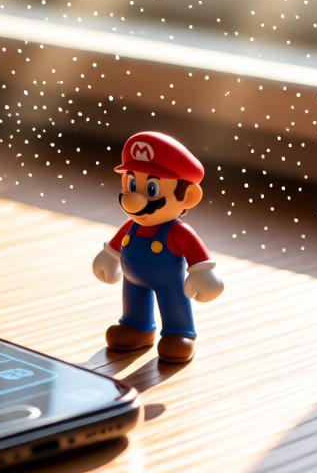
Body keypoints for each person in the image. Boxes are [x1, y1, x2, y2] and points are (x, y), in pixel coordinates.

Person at [92, 132, 224, 363]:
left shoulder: (177, 231)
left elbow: (197, 255)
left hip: (168, 281)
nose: (133, 198)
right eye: (132, 184)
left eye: (151, 188)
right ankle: (137, 327)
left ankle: (179, 332)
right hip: (132, 279)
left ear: (188, 196)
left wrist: (204, 274)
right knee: (133, 302)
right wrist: (109, 255)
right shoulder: (132, 225)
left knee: (174, 303)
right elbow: (117, 242)